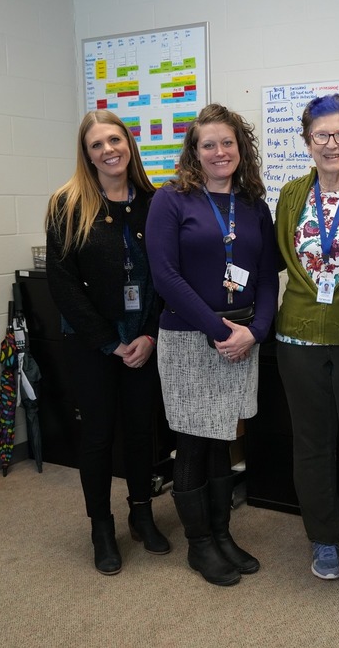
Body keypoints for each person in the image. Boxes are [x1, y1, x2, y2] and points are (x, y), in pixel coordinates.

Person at [146, 103, 278, 587]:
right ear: (194, 151)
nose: (220, 151)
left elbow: (267, 276)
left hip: (242, 340)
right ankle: (199, 544)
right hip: (188, 339)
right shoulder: (171, 200)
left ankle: (222, 535)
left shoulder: (254, 205)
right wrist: (220, 331)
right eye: (209, 144)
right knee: (193, 441)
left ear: (241, 148)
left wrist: (255, 331)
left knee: (223, 437)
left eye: (228, 142)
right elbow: (165, 276)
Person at [45, 109, 169, 575]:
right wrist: (109, 342)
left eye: (114, 140)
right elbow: (62, 283)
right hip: (91, 342)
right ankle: (101, 527)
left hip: (144, 339)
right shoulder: (67, 204)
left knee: (140, 430)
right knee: (97, 435)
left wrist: (149, 334)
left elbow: (165, 277)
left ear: (128, 144)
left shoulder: (155, 202)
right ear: (87, 154)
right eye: (96, 144)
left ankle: (141, 513)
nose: (108, 150)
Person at [275, 94, 339, 580]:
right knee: (311, 443)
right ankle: (321, 536)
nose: (331, 144)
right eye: (322, 135)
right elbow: (281, 257)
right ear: (307, 141)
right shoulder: (291, 195)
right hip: (298, 337)